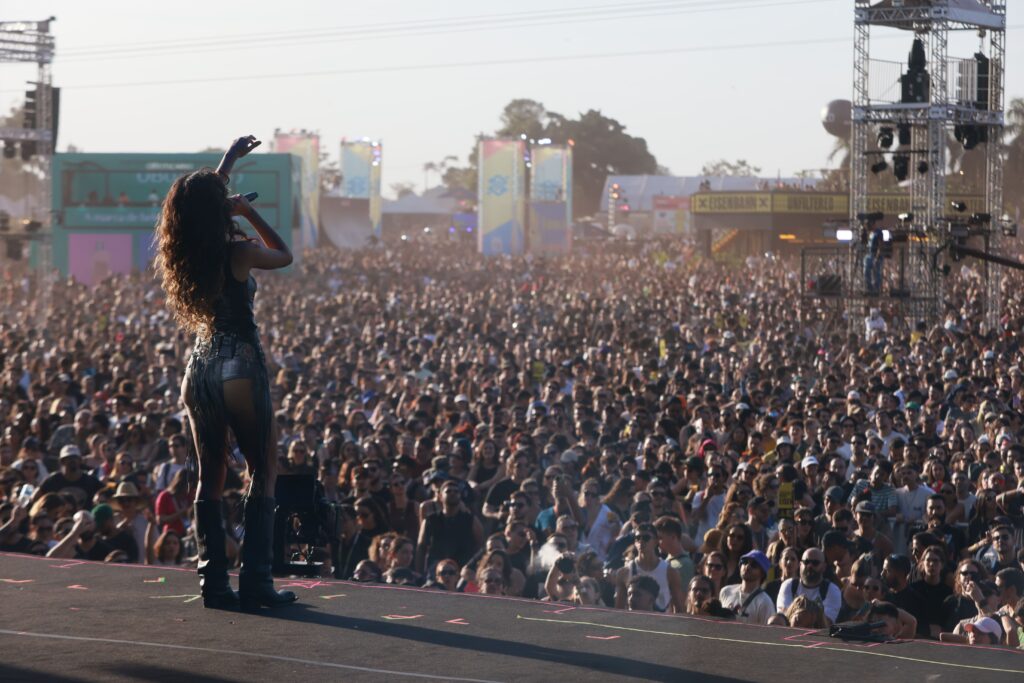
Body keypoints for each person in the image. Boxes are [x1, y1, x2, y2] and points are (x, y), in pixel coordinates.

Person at [155, 136, 295, 610]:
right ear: (222, 212)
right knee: (263, 469)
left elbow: (200, 200)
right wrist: (248, 214)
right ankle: (256, 583)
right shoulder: (239, 250)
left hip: (199, 368)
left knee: (209, 475)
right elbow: (284, 254)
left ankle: (213, 585)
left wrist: (228, 162)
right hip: (240, 362)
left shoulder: (186, 254)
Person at [776, 547, 842, 624]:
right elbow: (784, 616)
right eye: (806, 562)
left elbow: (826, 622)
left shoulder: (832, 590)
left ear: (824, 567)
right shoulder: (788, 585)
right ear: (800, 565)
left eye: (815, 563)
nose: (810, 566)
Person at [719, 550, 776, 624]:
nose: (747, 566)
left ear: (762, 573)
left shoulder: (765, 602)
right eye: (744, 562)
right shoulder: (726, 591)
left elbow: (767, 633)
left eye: (754, 565)